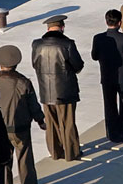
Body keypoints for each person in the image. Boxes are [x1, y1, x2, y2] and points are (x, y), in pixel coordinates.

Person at [0, 45, 45, 184]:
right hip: (20, 127)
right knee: (24, 157)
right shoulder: (24, 82)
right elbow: (33, 105)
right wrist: (40, 121)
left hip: (0, 128)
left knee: (4, 159)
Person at [33, 15, 87, 161]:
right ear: (62, 27)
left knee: (51, 124)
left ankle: (55, 152)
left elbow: (35, 64)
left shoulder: (37, 44)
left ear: (48, 28)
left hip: (46, 90)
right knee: (68, 122)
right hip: (66, 90)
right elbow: (78, 65)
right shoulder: (67, 44)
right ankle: (71, 152)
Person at [92, 8, 123, 143]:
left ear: (106, 22)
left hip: (107, 77)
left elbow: (94, 56)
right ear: (120, 22)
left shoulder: (98, 38)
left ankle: (112, 133)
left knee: (109, 105)